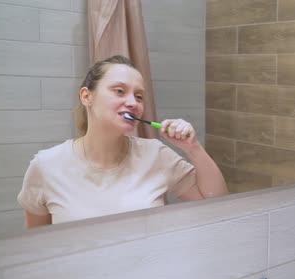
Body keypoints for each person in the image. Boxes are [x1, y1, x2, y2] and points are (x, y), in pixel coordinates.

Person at [18, 55, 228, 228]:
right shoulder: (46, 166)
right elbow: (37, 245)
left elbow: (216, 204)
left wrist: (193, 148)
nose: (132, 103)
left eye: (139, 96)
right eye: (119, 91)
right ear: (86, 96)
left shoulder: (156, 155)